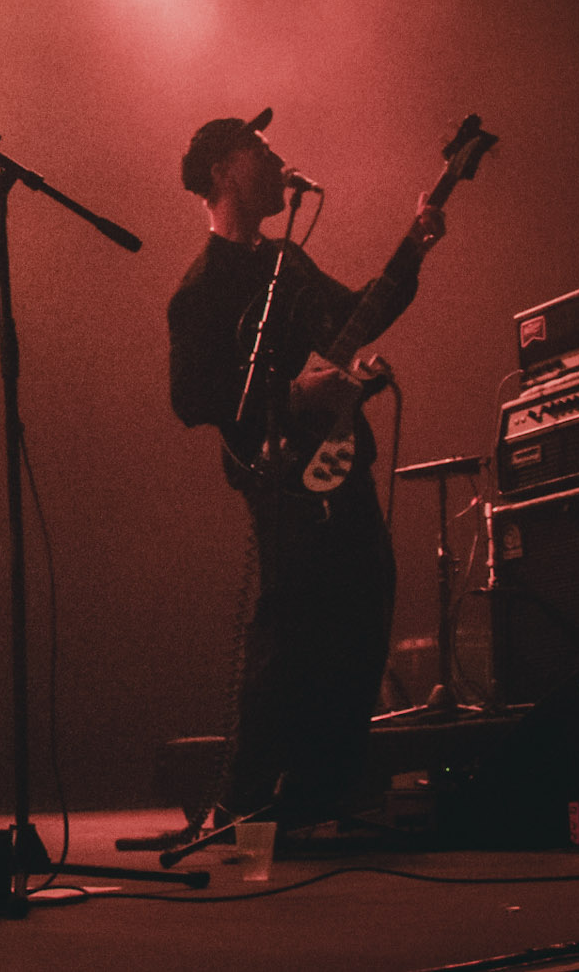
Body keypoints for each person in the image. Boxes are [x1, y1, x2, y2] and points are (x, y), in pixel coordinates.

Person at [166, 108, 446, 828]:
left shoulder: (287, 263)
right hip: (277, 470)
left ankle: (330, 788)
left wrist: (413, 248)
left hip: (337, 457)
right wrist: (291, 394)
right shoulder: (201, 288)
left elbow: (355, 315)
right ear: (226, 166)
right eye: (262, 148)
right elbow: (193, 398)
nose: (280, 161)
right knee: (288, 622)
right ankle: (248, 797)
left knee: (365, 594)